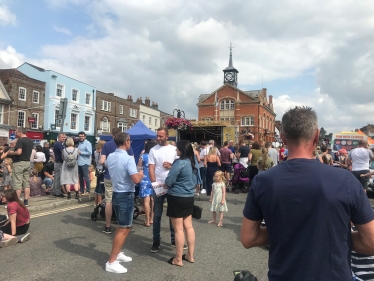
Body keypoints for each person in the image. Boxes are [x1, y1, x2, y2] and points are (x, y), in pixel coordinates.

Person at [241, 106, 374, 280]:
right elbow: (370, 242)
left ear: (282, 138)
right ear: (317, 136)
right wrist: (329, 234)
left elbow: (248, 238)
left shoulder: (263, 181)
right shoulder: (345, 180)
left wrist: (287, 231)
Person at [105, 132, 143, 274]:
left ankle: (118, 253)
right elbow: (136, 180)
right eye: (130, 141)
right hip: (125, 194)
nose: (130, 143)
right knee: (124, 228)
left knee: (122, 226)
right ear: (126, 142)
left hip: (116, 192)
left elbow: (109, 167)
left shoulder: (110, 156)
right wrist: (140, 174)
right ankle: (111, 261)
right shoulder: (128, 159)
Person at [164, 140, 198, 266]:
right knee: (188, 227)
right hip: (189, 196)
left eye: (177, 148)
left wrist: (166, 184)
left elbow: (169, 181)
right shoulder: (192, 162)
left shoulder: (179, 163)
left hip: (177, 196)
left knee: (178, 229)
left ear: (182, 150)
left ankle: (178, 259)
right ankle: (190, 255)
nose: (175, 150)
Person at [148, 127, 177, 253]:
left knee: (173, 213)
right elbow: (151, 168)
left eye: (160, 136)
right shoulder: (153, 150)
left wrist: (171, 166)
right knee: (157, 214)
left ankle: (174, 238)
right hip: (158, 186)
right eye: (157, 136)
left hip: (172, 185)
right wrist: (155, 183)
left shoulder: (174, 149)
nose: (158, 138)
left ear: (167, 136)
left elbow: (179, 165)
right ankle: (156, 240)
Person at [5, 127, 34, 207]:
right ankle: (26, 201)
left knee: (17, 183)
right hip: (27, 162)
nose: (15, 133)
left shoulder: (20, 140)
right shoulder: (30, 141)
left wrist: (11, 153)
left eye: (16, 132)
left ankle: (16, 202)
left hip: (19, 163)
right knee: (26, 183)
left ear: (20, 132)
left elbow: (18, 152)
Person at [138, 141, 157, 227]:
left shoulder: (144, 156)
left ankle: (147, 220)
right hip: (154, 179)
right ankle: (152, 218)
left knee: (146, 200)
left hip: (145, 179)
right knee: (153, 199)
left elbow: (138, 166)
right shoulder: (156, 156)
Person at [77, 131, 92, 196]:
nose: (81, 137)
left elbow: (89, 153)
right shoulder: (79, 143)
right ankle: (81, 190)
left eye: (82, 136)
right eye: (80, 136)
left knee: (86, 177)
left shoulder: (87, 143)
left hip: (85, 163)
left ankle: (88, 191)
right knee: (80, 177)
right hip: (79, 162)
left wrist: (81, 153)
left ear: (85, 137)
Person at [52, 133, 66, 198]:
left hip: (57, 163)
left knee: (56, 178)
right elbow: (64, 152)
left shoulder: (57, 144)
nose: (63, 138)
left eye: (64, 137)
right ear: (59, 137)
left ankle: (55, 191)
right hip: (59, 163)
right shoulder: (59, 144)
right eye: (62, 137)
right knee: (58, 178)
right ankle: (58, 192)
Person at [94, 140, 106, 207]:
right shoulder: (102, 153)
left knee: (97, 185)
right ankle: (99, 203)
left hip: (97, 169)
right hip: (102, 170)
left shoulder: (95, 152)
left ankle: (95, 202)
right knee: (100, 187)